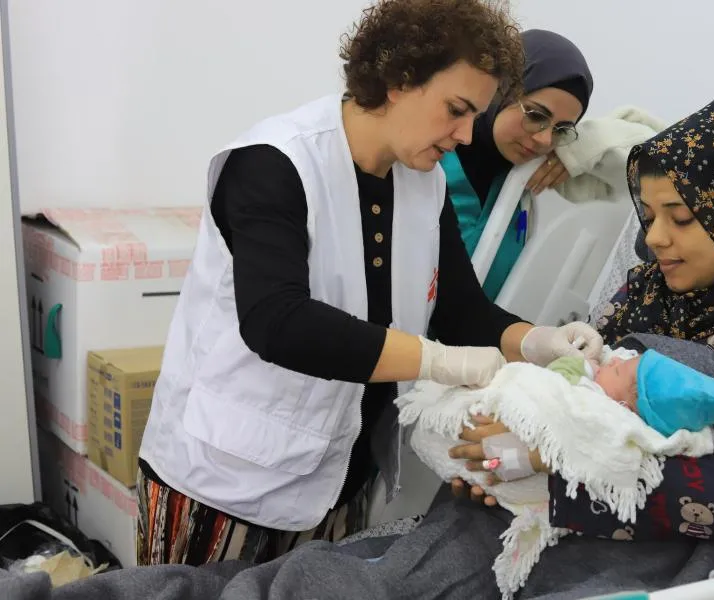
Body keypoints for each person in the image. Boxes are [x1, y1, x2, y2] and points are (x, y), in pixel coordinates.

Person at [136, 0, 603, 567]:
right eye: (456, 110)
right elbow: (277, 322)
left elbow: (461, 310)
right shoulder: (275, 163)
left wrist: (539, 342)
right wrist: (438, 363)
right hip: (226, 475)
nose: (463, 134)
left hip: (338, 473)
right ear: (399, 78)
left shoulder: (420, 180)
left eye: (474, 114)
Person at [452, 95, 714, 544]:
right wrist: (497, 466)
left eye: (682, 217)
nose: (654, 238)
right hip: (574, 521)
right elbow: (577, 393)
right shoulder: (645, 291)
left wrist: (555, 458)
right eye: (647, 217)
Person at [442, 29, 594, 300]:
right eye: (535, 115)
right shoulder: (427, 160)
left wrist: (582, 152)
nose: (544, 139)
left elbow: (652, 156)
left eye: (561, 130)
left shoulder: (528, 183)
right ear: (500, 90)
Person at [546, 349, 714, 437]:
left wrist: (585, 366)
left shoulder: (596, 401)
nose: (614, 361)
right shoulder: (614, 390)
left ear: (624, 407)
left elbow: (554, 380)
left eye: (617, 370)